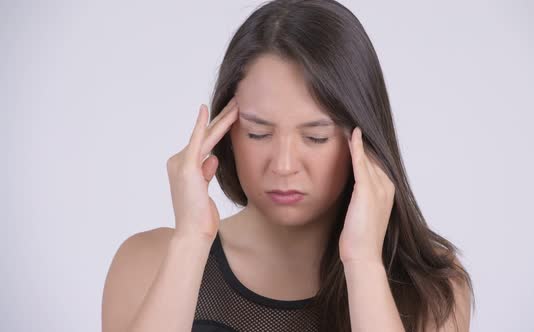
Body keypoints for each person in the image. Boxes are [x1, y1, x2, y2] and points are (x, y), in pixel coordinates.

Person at [102, 0, 475, 331]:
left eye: (315, 137)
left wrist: (363, 264)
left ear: (364, 140)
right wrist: (190, 241)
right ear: (225, 132)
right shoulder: (147, 262)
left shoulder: (432, 286)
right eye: (258, 133)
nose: (282, 166)